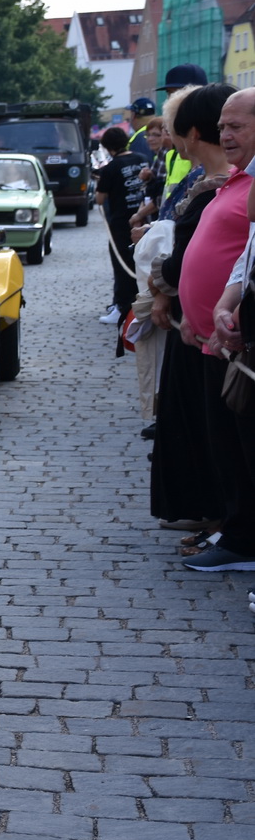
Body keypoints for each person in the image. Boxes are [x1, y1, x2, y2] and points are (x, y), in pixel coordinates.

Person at [170, 86, 255, 573]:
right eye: (221, 125)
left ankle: (244, 536)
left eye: (236, 126)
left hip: (238, 342)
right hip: (214, 336)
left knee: (242, 445)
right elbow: (245, 257)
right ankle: (235, 525)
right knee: (226, 445)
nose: (224, 134)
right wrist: (214, 307)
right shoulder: (239, 179)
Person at [150, 83, 234, 534]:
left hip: (216, 327)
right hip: (196, 322)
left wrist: (161, 280)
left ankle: (221, 515)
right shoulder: (207, 182)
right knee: (197, 421)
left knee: (213, 426)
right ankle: (208, 509)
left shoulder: (228, 183)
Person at [95, 126, 145, 322]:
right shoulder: (142, 158)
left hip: (120, 223)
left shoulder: (112, 167)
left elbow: (99, 199)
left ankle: (122, 308)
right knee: (140, 263)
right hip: (143, 219)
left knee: (122, 264)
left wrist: (101, 181)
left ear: (108, 147)